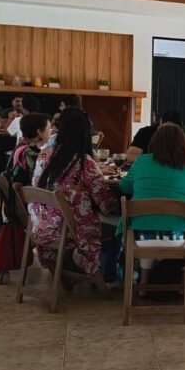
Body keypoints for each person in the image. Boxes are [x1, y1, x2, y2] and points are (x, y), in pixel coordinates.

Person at [119, 124, 185, 285]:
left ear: (155, 142)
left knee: (148, 224)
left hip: (138, 238)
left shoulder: (141, 162)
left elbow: (124, 187)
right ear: (184, 144)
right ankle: (183, 284)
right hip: (181, 239)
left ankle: (144, 283)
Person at [30, 110, 118, 277]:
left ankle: (67, 265)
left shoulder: (44, 156)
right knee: (117, 229)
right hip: (68, 231)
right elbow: (105, 203)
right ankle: (106, 276)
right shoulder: (84, 162)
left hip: (41, 227)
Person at [9, 112, 51, 187]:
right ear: (39, 131)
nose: (51, 131)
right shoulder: (30, 152)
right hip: (27, 192)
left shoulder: (21, 145)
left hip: (17, 190)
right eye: (49, 128)